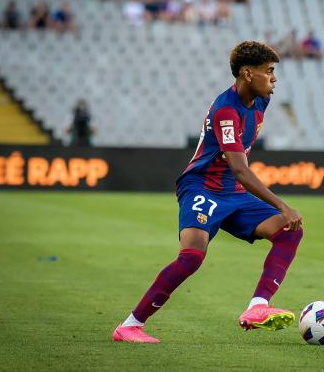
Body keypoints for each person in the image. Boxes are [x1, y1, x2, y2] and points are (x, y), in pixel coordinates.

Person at [112, 41, 303, 343]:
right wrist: (282, 205)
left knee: (290, 230)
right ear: (247, 73)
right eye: (268, 71)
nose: (274, 78)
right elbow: (240, 168)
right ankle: (130, 325)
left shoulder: (261, 101)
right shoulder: (226, 110)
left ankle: (258, 306)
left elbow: (238, 174)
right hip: (202, 186)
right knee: (191, 257)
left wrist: (283, 213)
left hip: (232, 191)